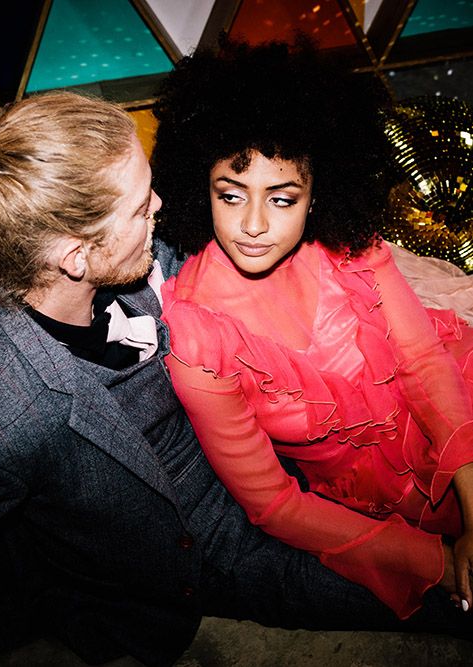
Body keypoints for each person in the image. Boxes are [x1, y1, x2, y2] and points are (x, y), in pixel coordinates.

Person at [0, 91, 470, 667]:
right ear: (76, 254)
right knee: (439, 591)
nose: (162, 209)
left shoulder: (136, 259)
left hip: (271, 447)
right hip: (204, 537)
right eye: (142, 205)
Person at [153, 38, 473, 624]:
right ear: (201, 188)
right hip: (386, 512)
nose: (252, 225)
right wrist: (438, 561)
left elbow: (426, 363)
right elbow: (273, 503)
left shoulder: (348, 248)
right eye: (231, 195)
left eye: (281, 198)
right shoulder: (198, 336)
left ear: (316, 194)